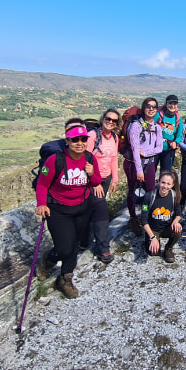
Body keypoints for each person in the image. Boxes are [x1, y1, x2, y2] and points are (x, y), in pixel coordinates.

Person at [35, 124, 103, 298]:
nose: (79, 143)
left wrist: (92, 172)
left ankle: (65, 279)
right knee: (65, 247)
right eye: (75, 140)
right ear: (67, 141)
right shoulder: (55, 160)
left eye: (83, 139)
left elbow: (96, 183)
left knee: (74, 246)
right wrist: (42, 204)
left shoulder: (89, 159)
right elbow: (42, 183)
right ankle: (49, 260)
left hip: (82, 207)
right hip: (58, 209)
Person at [78, 108, 120, 263]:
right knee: (101, 212)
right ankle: (103, 249)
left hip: (106, 179)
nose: (110, 122)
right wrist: (94, 181)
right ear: (103, 119)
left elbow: (114, 159)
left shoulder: (114, 138)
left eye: (114, 120)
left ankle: (84, 241)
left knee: (92, 209)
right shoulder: (93, 136)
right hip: (92, 181)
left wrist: (115, 178)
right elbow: (84, 160)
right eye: (108, 118)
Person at [123, 98, 164, 234]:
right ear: (144, 108)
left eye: (154, 106)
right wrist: (139, 171)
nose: (151, 109)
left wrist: (146, 152)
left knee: (150, 191)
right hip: (134, 164)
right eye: (148, 106)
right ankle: (134, 219)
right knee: (133, 192)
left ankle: (146, 218)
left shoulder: (157, 127)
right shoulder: (136, 126)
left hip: (149, 163)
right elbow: (135, 150)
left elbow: (159, 148)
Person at [140, 170, 183, 263]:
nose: (165, 186)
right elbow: (143, 219)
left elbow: (178, 214)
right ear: (159, 181)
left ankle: (168, 248)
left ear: (172, 185)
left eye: (168, 184)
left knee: (178, 230)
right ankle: (151, 240)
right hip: (153, 230)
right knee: (153, 252)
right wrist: (152, 237)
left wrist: (176, 221)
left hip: (167, 227)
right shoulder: (149, 196)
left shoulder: (174, 196)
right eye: (163, 182)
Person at [155, 94, 184, 174]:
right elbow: (150, 127)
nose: (172, 106)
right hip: (155, 148)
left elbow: (179, 135)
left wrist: (175, 142)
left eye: (174, 104)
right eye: (170, 103)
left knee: (165, 173)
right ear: (166, 104)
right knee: (150, 172)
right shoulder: (159, 115)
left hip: (168, 150)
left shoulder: (178, 119)